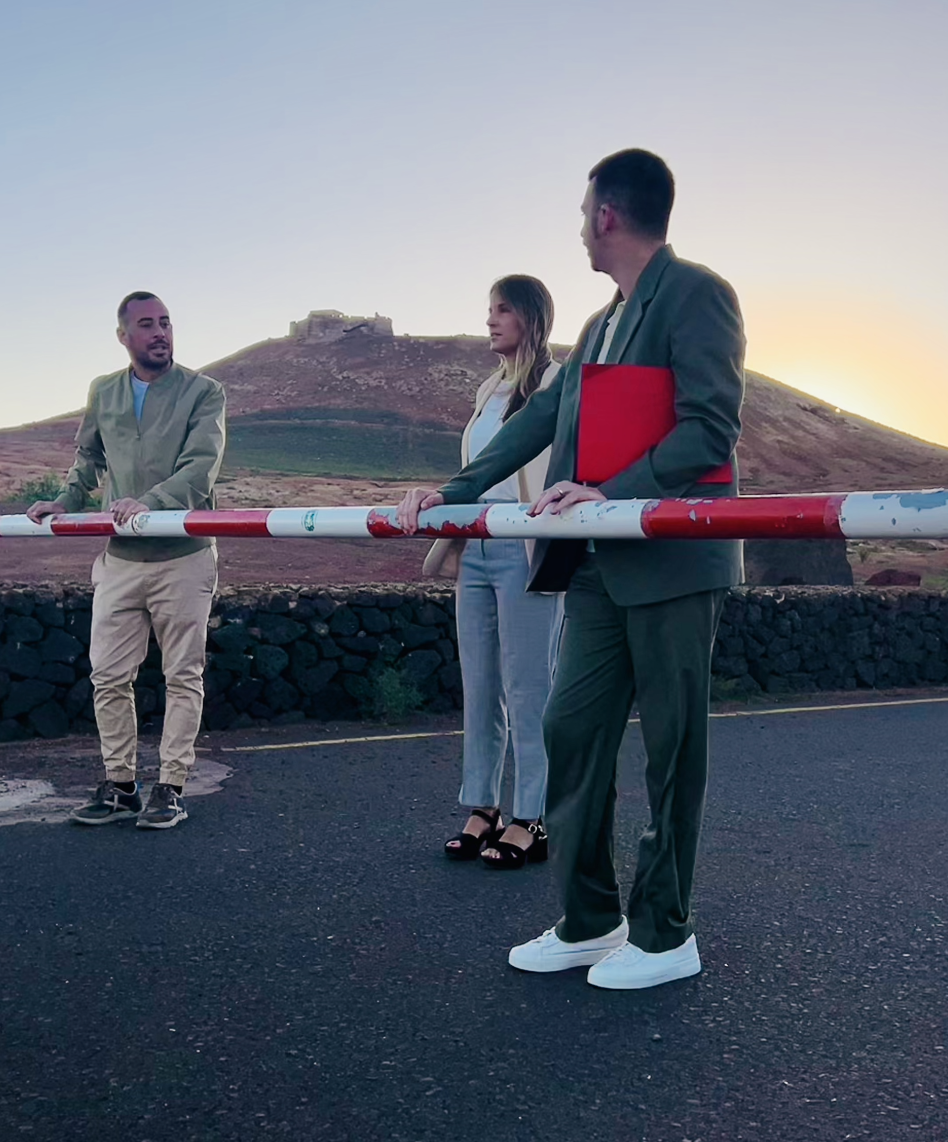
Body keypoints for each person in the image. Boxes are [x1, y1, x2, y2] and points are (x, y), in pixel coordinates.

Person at [397, 149, 745, 988]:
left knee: (672, 751)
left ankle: (666, 934)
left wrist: (607, 494)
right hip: (597, 566)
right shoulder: (597, 325)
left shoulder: (698, 294)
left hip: (670, 562)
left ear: (607, 216)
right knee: (569, 731)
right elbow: (537, 420)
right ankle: (591, 921)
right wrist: (453, 491)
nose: (578, 225)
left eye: (581, 210)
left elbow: (710, 429)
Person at [27, 291, 227, 831]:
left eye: (165, 322)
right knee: (109, 676)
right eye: (147, 324)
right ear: (124, 336)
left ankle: (171, 788)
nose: (160, 332)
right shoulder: (104, 391)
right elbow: (88, 457)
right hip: (119, 559)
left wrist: (152, 503)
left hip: (183, 558)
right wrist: (65, 501)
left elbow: (201, 466)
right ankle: (120, 786)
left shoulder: (204, 392)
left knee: (183, 674)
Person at [425, 276, 561, 870]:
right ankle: (483, 807)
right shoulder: (488, 388)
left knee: (529, 687)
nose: (490, 320)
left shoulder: (555, 384)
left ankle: (533, 816)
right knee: (480, 685)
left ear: (531, 317)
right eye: (489, 310)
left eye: (502, 310)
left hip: (526, 547)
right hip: (474, 546)